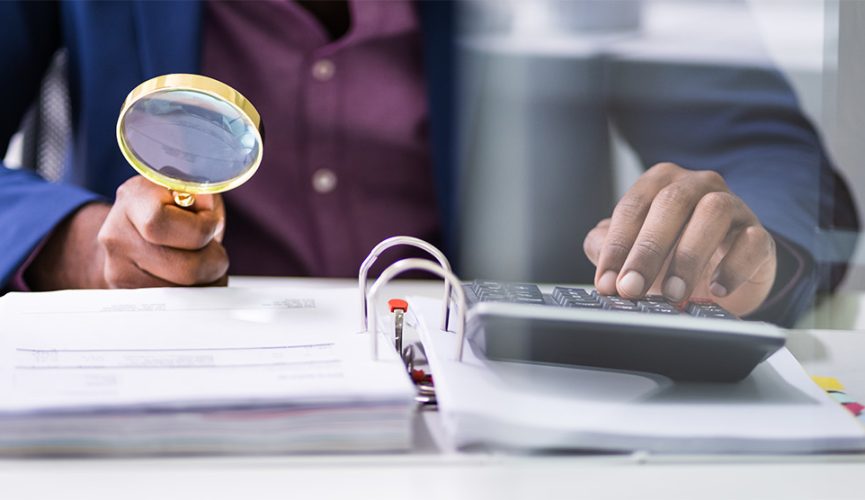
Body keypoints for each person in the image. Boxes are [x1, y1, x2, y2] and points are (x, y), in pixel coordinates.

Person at [0, 1, 857, 327]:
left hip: (506, 417)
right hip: (177, 391)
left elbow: (775, 160)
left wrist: (749, 250)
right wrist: (74, 244)